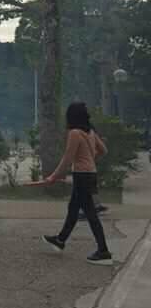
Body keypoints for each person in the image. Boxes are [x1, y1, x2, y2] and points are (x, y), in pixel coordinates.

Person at [42, 102, 113, 265]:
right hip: (90, 174)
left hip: (82, 176)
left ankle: (103, 251)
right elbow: (104, 150)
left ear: (71, 116)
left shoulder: (74, 133)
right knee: (73, 209)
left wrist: (53, 176)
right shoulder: (90, 132)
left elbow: (67, 158)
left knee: (90, 214)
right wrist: (89, 159)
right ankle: (60, 240)